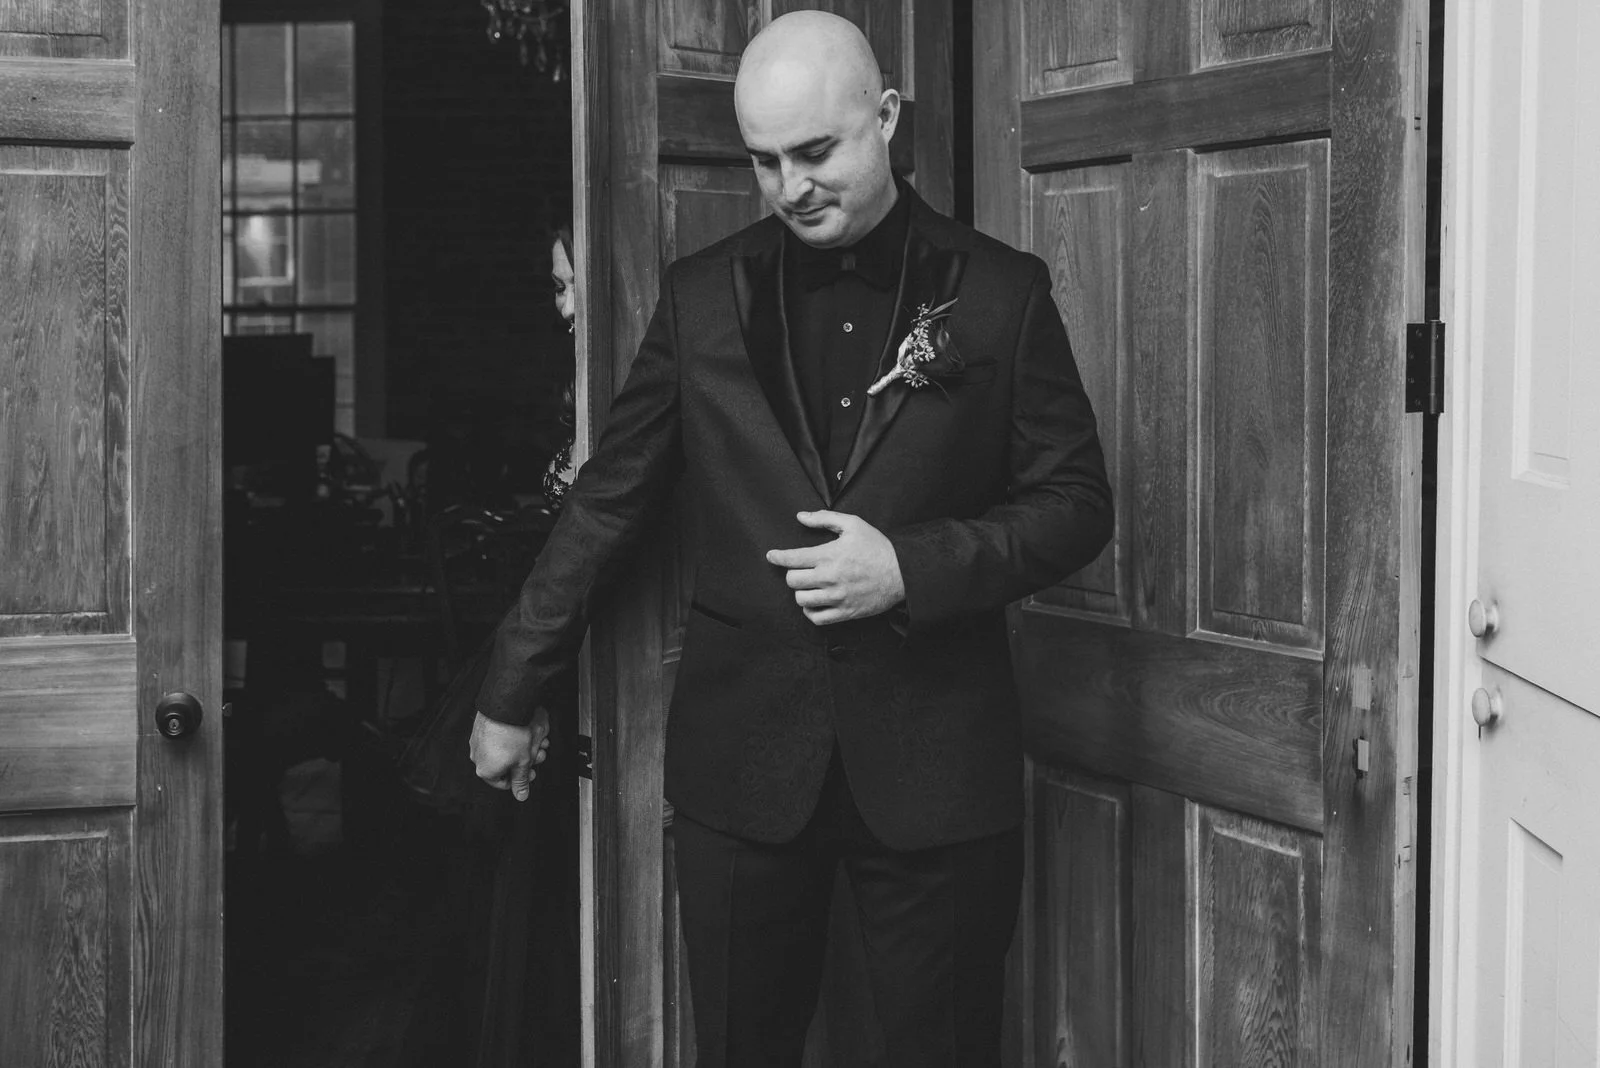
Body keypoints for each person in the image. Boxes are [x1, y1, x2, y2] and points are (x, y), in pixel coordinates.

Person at [470, 12, 1113, 1066]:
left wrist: (907, 568)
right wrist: (511, 686)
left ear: (886, 118)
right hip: (742, 767)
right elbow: (609, 501)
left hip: (941, 769)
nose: (790, 187)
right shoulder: (699, 298)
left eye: (815, 152)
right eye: (764, 162)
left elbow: (1078, 503)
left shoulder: (1001, 293)